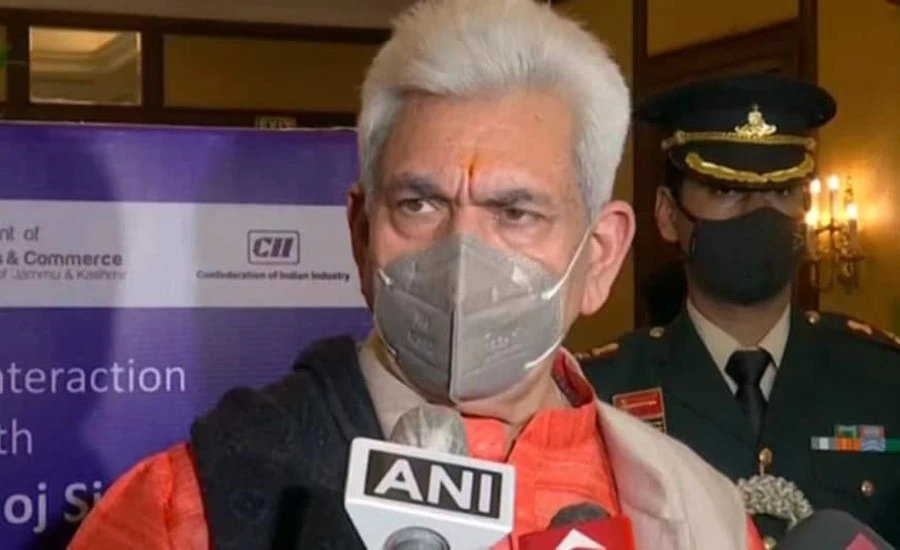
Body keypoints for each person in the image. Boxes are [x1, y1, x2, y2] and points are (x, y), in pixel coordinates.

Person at [69, 1, 763, 549]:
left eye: (515, 212)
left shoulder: (701, 512)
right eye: (420, 204)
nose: (462, 254)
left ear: (601, 255)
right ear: (361, 233)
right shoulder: (185, 508)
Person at [580, 72, 900, 547]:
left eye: (783, 191)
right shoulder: (602, 395)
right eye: (726, 191)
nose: (760, 214)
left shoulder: (882, 379)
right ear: (668, 214)